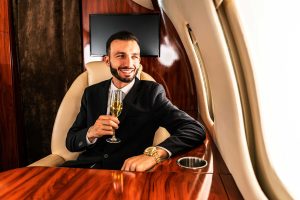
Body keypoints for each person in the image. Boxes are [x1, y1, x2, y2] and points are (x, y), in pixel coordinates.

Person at [63, 31, 206, 171]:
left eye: (134, 57)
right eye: (120, 56)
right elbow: (71, 142)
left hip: (126, 173)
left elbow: (194, 129)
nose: (129, 63)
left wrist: (153, 155)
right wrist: (90, 132)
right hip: (85, 170)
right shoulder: (91, 93)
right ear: (107, 60)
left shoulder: (152, 93)